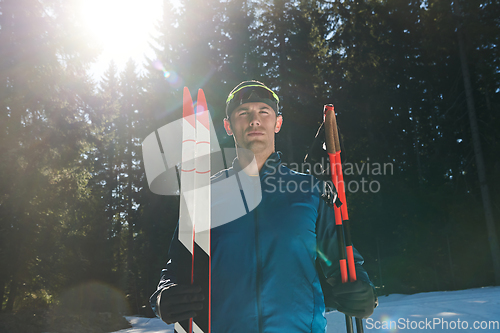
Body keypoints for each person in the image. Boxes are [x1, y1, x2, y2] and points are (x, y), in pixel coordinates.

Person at [150, 80, 377, 332]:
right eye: (243, 113)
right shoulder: (204, 195)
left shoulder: (311, 191)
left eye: (264, 112)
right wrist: (163, 297)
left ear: (277, 123)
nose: (254, 120)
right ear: (228, 126)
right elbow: (177, 266)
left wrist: (364, 292)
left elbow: (342, 260)